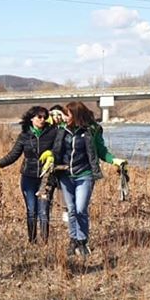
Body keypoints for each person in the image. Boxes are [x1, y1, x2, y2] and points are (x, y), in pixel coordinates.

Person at [47, 101, 127, 257]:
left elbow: (102, 151)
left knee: (81, 209)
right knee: (71, 210)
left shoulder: (92, 131)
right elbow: (46, 144)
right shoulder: (60, 130)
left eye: (67, 114)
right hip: (65, 175)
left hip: (85, 174)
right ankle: (74, 240)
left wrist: (114, 160)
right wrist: (49, 157)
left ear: (76, 115)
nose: (64, 117)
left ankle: (83, 241)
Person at [0, 106, 58, 243]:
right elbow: (13, 155)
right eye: (39, 117)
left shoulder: (52, 133)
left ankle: (45, 243)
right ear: (31, 119)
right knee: (31, 211)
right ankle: (32, 241)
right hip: (28, 178)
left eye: (44, 117)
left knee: (44, 211)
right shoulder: (24, 136)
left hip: (46, 177)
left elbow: (60, 149)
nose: (42, 120)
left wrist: (52, 154)